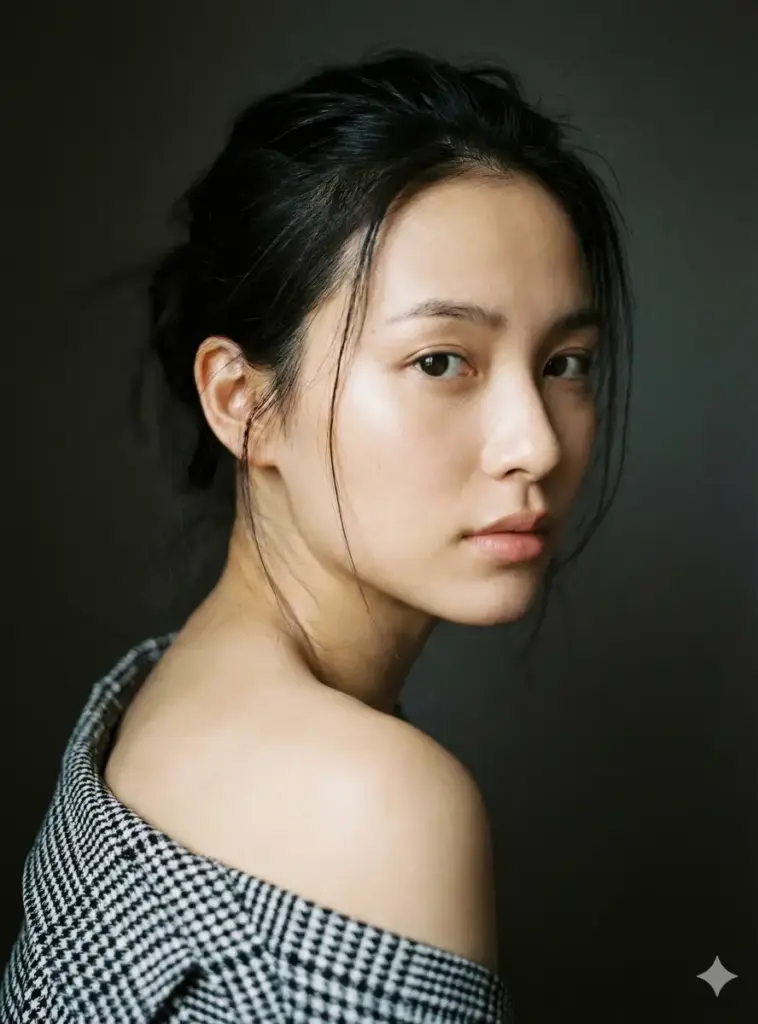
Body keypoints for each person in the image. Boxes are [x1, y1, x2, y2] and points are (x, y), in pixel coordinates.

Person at [1, 49, 632, 1023]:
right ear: (242, 401)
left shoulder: (161, 691)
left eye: (565, 362)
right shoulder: (372, 803)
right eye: (439, 360)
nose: (535, 442)